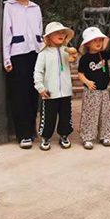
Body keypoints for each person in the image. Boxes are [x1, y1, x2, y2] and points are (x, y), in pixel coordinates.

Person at [2, 0, 43, 149]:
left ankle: (31, 129)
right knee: (19, 95)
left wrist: (44, 56)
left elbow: (40, 34)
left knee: (33, 93)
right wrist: (6, 59)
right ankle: (23, 134)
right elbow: (6, 33)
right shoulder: (9, 6)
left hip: (35, 53)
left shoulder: (36, 8)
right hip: (17, 54)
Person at [77, 26, 110, 150]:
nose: (98, 43)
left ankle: (104, 135)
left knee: (105, 113)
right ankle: (87, 137)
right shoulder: (85, 59)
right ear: (87, 43)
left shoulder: (103, 54)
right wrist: (87, 82)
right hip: (91, 91)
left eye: (99, 40)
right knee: (90, 114)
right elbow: (80, 74)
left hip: (104, 90)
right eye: (94, 41)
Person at [33, 21, 78, 151]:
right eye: (57, 32)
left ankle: (64, 135)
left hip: (65, 92)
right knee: (48, 117)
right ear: (48, 37)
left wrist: (74, 59)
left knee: (65, 116)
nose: (61, 34)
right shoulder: (44, 54)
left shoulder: (66, 51)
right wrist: (40, 87)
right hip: (49, 92)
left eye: (63, 33)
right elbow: (38, 71)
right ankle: (45, 137)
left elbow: (73, 65)